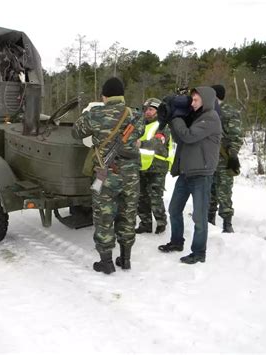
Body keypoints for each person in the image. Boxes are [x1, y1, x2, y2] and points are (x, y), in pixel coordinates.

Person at [72, 77, 144, 274]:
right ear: (122, 95)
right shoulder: (135, 115)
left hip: (105, 174)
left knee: (104, 217)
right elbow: (138, 134)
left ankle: (106, 262)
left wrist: (89, 120)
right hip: (131, 176)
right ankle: (126, 259)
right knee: (128, 215)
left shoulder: (95, 114)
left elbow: (76, 132)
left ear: (104, 95)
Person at [158, 87, 222, 264]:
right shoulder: (195, 117)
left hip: (201, 174)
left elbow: (188, 136)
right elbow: (180, 138)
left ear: (206, 100)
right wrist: (171, 120)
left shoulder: (210, 118)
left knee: (199, 217)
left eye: (195, 100)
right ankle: (177, 241)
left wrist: (176, 117)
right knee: (174, 209)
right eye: (191, 99)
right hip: (186, 173)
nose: (191, 103)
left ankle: (199, 252)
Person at [135, 97, 173, 235]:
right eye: (146, 109)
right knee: (141, 197)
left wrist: (141, 144)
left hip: (158, 166)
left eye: (151, 109)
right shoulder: (141, 125)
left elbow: (157, 142)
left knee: (155, 196)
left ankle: (161, 222)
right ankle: (145, 223)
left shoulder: (163, 126)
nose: (147, 112)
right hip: (141, 165)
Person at [209, 84, 243, 233]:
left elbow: (236, 136)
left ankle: (227, 223)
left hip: (224, 160)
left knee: (224, 191)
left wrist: (233, 155)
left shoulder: (230, 112)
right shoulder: (206, 111)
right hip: (208, 158)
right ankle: (209, 220)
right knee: (209, 191)